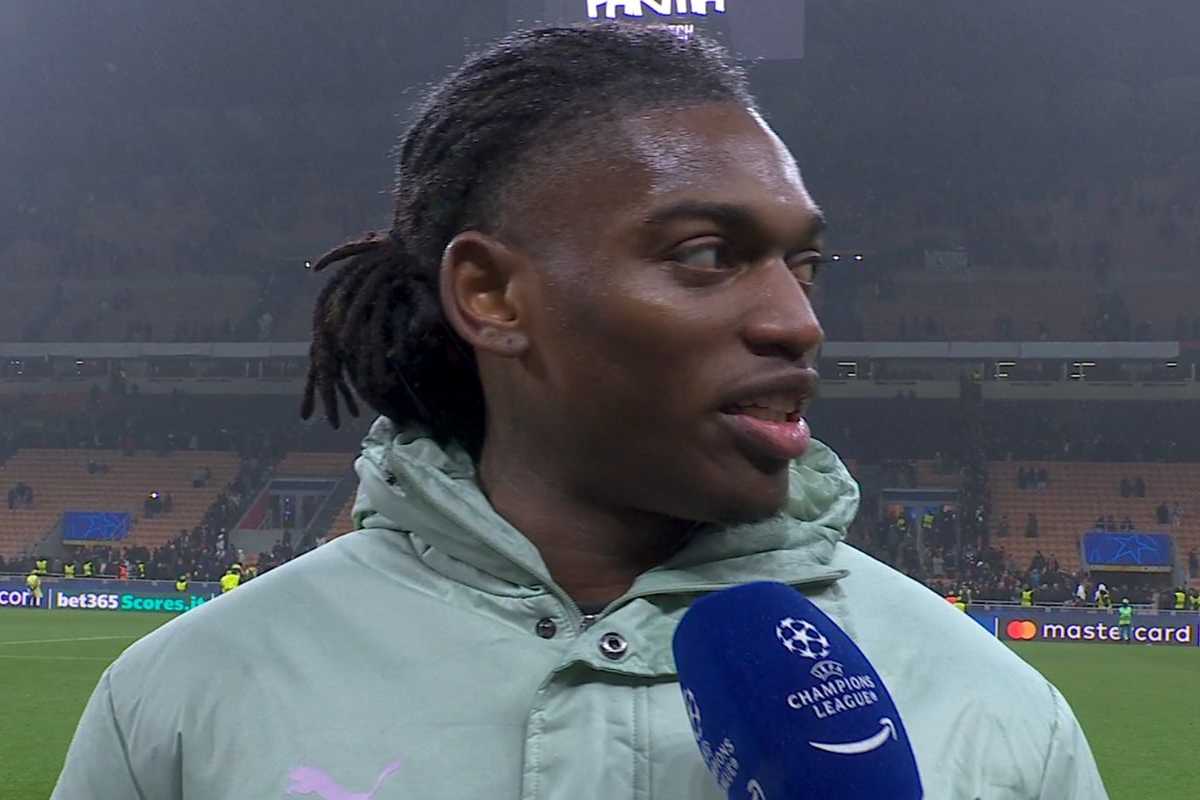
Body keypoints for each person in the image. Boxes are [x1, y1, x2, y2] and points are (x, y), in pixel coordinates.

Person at [51, 25, 1107, 800]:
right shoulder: (188, 700)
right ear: (492, 295)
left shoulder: (995, 713)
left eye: (805, 265)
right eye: (707, 254)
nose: (798, 321)